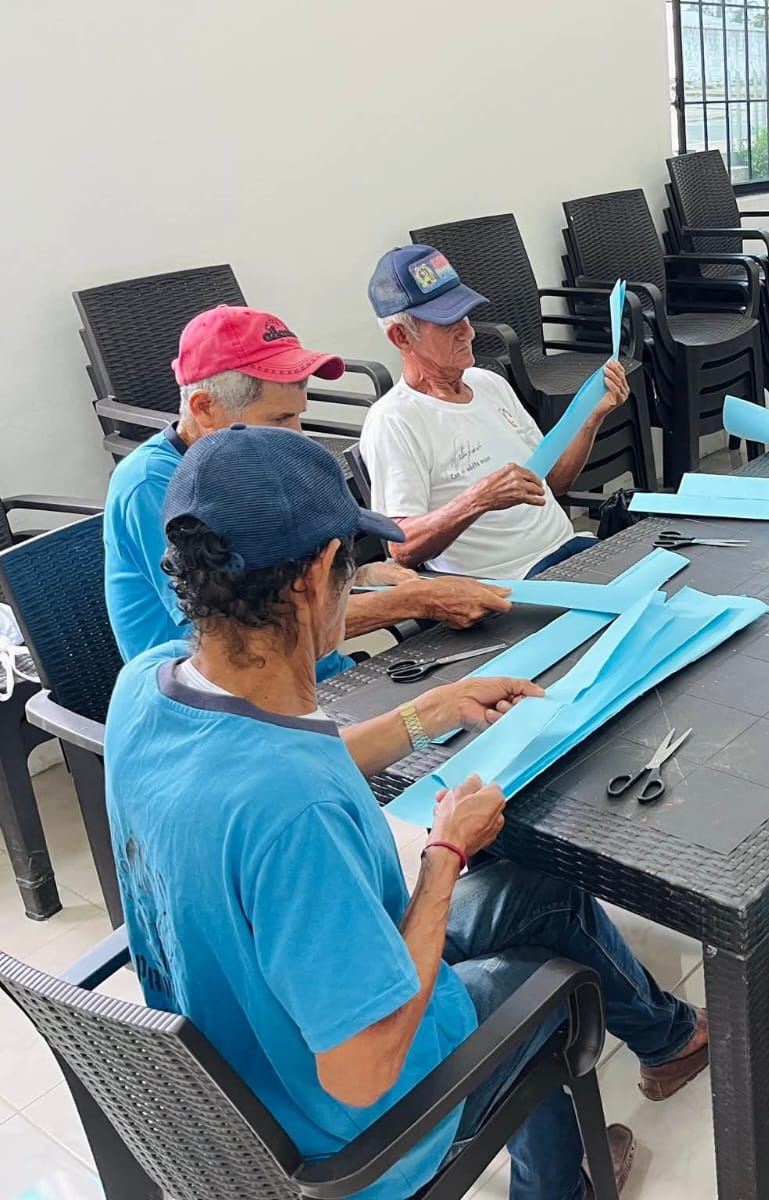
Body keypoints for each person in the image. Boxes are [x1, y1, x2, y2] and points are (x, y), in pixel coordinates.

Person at [105, 425, 710, 1200]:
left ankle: (669, 1042)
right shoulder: (294, 813)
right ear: (318, 574)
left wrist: (429, 713)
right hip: (351, 1134)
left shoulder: (147, 684)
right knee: (543, 991)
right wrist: (444, 858)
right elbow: (364, 1070)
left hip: (237, 1059)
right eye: (351, 564)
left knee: (541, 896)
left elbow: (275, 762)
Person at [103, 305, 511, 683]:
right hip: (234, 699)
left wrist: (355, 578)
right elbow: (239, 632)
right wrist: (416, 600)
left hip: (314, 674)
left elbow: (269, 580)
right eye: (280, 419)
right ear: (206, 408)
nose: (297, 436)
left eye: (299, 415)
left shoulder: (254, 462)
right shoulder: (152, 484)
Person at [359, 245, 631, 579]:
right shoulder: (394, 420)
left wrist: (592, 417)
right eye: (447, 323)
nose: (468, 332)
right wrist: (479, 499)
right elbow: (402, 547)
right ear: (401, 336)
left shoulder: (488, 383)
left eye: (465, 316)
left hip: (572, 550)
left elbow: (554, 482)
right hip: (517, 581)